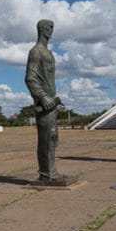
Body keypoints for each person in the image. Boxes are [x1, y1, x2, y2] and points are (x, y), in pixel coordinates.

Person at [25, 19, 73, 183]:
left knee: (52, 138)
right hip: (44, 103)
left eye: (53, 27)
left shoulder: (49, 53)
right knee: (46, 138)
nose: (52, 30)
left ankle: (51, 172)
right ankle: (46, 174)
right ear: (41, 29)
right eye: (49, 27)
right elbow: (30, 78)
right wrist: (42, 96)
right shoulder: (36, 52)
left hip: (51, 102)